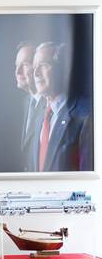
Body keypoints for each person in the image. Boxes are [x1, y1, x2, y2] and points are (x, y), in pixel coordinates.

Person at [30, 41, 92, 171]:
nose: (35, 73)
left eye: (43, 65)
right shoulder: (39, 118)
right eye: (34, 67)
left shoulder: (85, 115)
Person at [13, 41, 45, 171]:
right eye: (16, 65)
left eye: (25, 64)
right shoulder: (24, 103)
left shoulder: (51, 107)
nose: (18, 71)